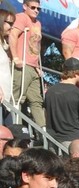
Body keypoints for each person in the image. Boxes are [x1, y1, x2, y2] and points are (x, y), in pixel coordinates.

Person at [9, 0, 45, 128]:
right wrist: (15, 57)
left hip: (33, 67)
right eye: (33, 7)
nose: (36, 10)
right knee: (18, 98)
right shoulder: (21, 17)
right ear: (25, 6)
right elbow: (13, 35)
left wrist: (37, 66)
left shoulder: (38, 23)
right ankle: (16, 128)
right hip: (22, 64)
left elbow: (36, 46)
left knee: (37, 100)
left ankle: (43, 131)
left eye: (38, 8)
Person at [44, 58, 79, 144]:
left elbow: (46, 116)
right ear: (76, 73)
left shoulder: (50, 92)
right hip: (73, 141)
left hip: (52, 141)